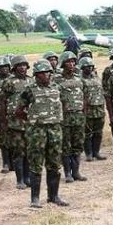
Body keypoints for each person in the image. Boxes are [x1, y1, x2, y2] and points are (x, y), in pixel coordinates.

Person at [16, 60, 68, 207]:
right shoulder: (29, 89)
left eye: (47, 72)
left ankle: (54, 196)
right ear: (36, 75)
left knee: (54, 164)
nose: (45, 75)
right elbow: (19, 111)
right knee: (36, 164)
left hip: (55, 130)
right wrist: (33, 120)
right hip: (37, 132)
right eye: (42, 73)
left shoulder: (56, 87)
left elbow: (63, 104)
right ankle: (35, 199)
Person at [0, 55, 32, 189]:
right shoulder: (9, 82)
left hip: (30, 121)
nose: (22, 68)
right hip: (15, 122)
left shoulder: (32, 81)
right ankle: (20, 180)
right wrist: (3, 121)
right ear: (14, 68)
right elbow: (3, 102)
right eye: (19, 66)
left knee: (29, 151)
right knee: (19, 152)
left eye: (24, 65)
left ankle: (27, 177)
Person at [58, 51, 87, 183]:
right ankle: (67, 173)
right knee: (66, 146)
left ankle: (76, 172)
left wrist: (84, 113)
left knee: (78, 145)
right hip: (64, 118)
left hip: (78, 116)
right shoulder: (56, 80)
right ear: (63, 64)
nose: (72, 64)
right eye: (69, 62)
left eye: (73, 61)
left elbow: (84, 97)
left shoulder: (79, 79)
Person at [79, 55, 108, 161]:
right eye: (86, 67)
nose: (89, 68)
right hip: (88, 108)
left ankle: (96, 152)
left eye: (91, 66)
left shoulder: (96, 77)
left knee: (98, 132)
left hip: (99, 107)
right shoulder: (80, 80)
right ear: (82, 68)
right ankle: (89, 153)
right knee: (87, 132)